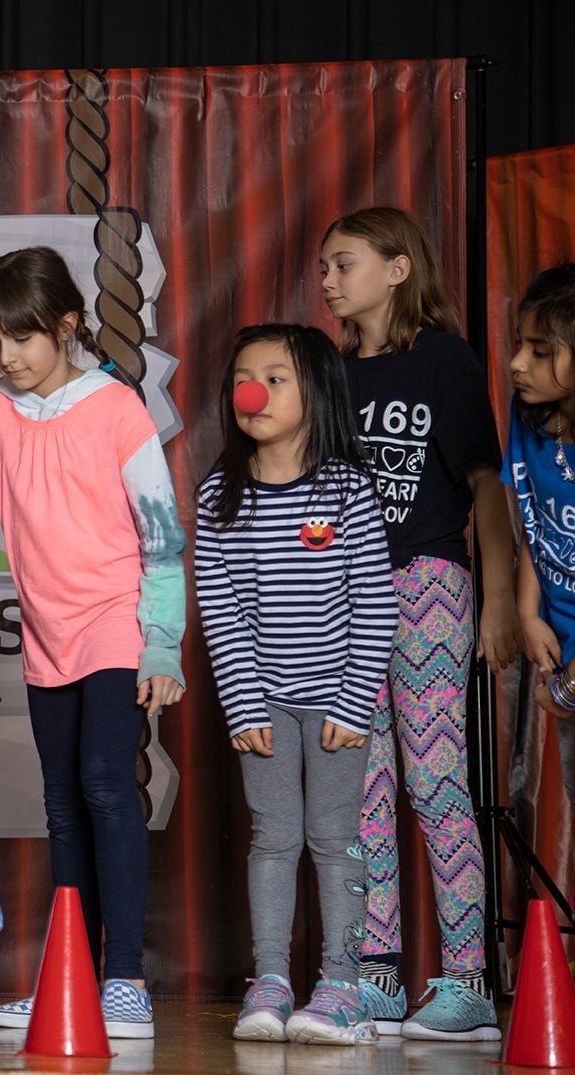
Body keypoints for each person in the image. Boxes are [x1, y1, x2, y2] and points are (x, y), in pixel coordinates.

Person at [0, 247, 185, 1038]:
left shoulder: (116, 409)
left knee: (107, 784)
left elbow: (163, 537)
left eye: (22, 338)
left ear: (67, 327)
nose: (6, 357)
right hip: (44, 637)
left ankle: (122, 980)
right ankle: (67, 977)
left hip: (116, 620)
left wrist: (162, 644)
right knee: (61, 804)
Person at [321, 207, 511, 1040]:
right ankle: (376, 975)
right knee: (359, 790)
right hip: (345, 597)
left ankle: (465, 980)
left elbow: (483, 482)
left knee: (433, 784)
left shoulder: (444, 359)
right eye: (323, 267)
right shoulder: (325, 371)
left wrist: (499, 598)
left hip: (428, 581)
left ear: (398, 269)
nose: (327, 280)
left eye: (343, 263)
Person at [197, 323, 395, 1045]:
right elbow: (218, 608)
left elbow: (375, 602)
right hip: (264, 703)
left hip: (339, 700)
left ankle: (341, 984)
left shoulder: (347, 488)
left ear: (315, 390)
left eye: (275, 377)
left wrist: (352, 698)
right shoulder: (219, 493)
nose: (254, 391)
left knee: (334, 835)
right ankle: (271, 978)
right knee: (273, 836)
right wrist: (243, 701)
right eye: (245, 377)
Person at [502, 263, 575, 814]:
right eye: (519, 345)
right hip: (562, 653)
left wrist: (568, 689)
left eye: (540, 351)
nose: (516, 363)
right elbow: (533, 521)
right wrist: (528, 614)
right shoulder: (528, 417)